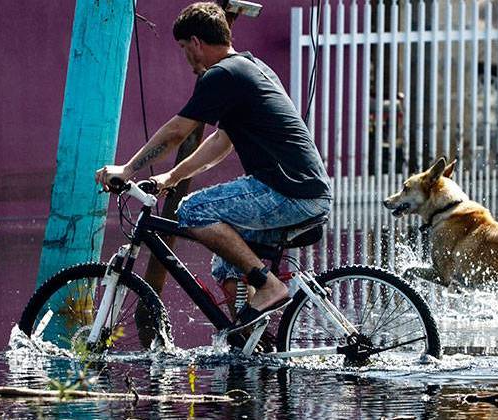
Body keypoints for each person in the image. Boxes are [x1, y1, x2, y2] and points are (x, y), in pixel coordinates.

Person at [95, 2, 331, 329]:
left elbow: (178, 131)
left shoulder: (222, 74)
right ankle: (250, 341)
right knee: (226, 264)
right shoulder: (249, 67)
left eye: (183, 48)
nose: (185, 57)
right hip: (303, 192)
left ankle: (267, 284)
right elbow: (222, 142)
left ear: (196, 42)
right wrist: (172, 177)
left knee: (193, 211)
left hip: (289, 192)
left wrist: (128, 169)